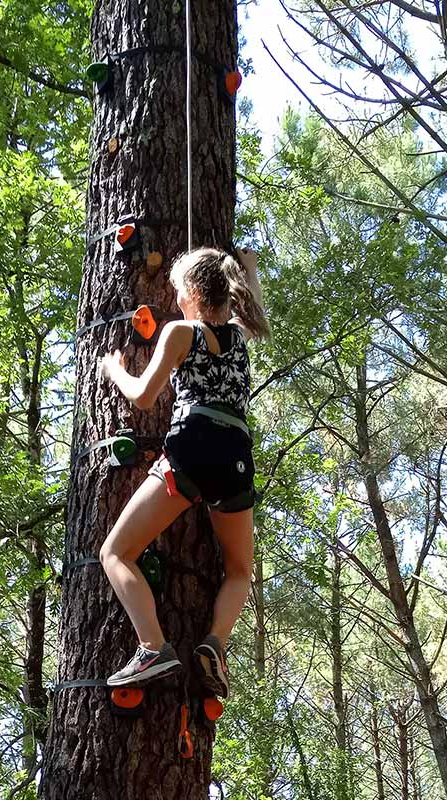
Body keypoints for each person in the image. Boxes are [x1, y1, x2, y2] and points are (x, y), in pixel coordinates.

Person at [97, 246, 269, 698]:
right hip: (235, 456)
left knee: (115, 553)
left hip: (191, 449)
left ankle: (153, 647)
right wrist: (249, 269)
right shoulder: (238, 335)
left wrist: (115, 369)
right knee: (239, 571)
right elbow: (252, 304)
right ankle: (214, 642)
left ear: (192, 292)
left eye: (177, 291)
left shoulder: (179, 333)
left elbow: (143, 397)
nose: (174, 300)